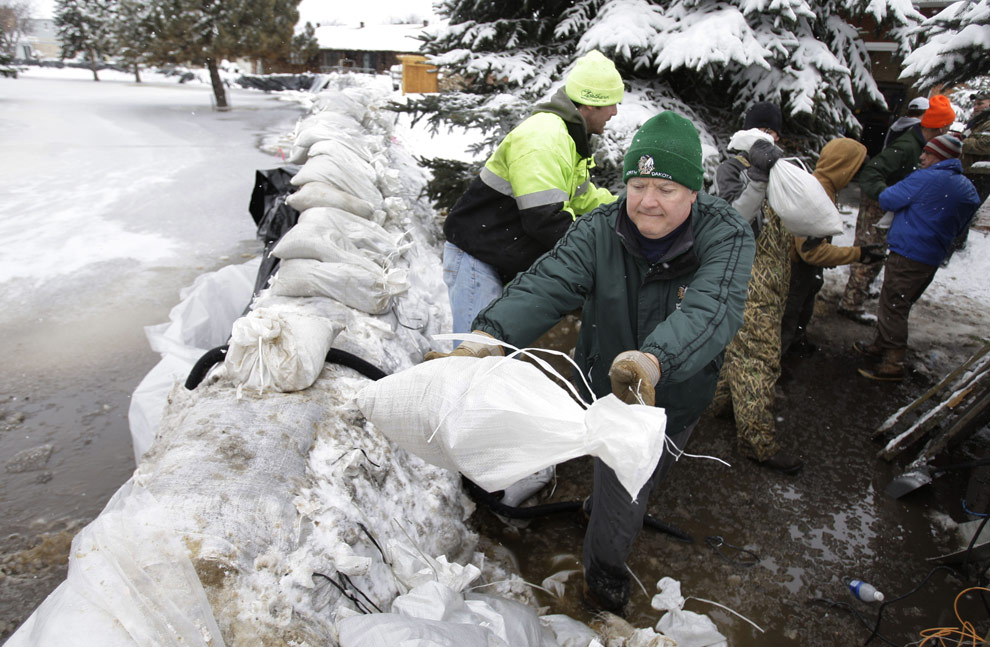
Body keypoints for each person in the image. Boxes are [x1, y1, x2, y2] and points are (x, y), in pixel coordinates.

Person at [426, 111, 755, 614]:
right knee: (623, 491)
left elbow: (711, 310)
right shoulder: (601, 230)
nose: (647, 202)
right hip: (609, 387)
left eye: (666, 189)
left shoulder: (726, 236)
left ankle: (605, 509)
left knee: (650, 469)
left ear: (694, 191)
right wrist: (487, 335)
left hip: (680, 394)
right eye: (638, 185)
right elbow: (547, 282)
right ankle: (604, 590)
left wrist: (653, 361)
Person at [440, 50, 624, 334]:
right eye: (611, 104)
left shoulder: (567, 137)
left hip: (497, 256)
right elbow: (545, 219)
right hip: (477, 260)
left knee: (496, 356)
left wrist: (626, 207)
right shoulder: (545, 139)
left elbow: (584, 198)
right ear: (589, 104)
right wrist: (599, 255)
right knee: (474, 357)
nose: (614, 112)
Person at [709, 101, 801, 475]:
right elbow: (732, 219)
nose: (770, 138)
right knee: (758, 360)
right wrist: (759, 179)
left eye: (774, 132)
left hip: (775, 283)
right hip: (748, 283)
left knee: (736, 352)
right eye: (763, 130)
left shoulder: (782, 170)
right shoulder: (732, 169)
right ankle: (758, 442)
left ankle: (716, 406)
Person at [855, 134, 980, 381]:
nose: (922, 157)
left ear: (941, 157)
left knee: (893, 305)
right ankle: (881, 344)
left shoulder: (925, 178)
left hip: (909, 252)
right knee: (900, 302)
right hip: (931, 257)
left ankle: (893, 362)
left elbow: (888, 198)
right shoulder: (966, 187)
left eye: (928, 153)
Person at [837, 94, 956, 324]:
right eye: (947, 127)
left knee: (877, 254)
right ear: (939, 128)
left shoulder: (921, 144)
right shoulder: (906, 146)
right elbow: (872, 172)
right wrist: (887, 196)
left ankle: (856, 294)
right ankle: (850, 303)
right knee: (870, 252)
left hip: (891, 205)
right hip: (878, 206)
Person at [780, 138, 886, 357]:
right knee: (788, 317)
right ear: (844, 166)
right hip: (795, 269)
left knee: (803, 308)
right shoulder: (816, 193)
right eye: (856, 167)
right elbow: (811, 252)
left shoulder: (824, 187)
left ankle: (795, 345)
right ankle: (776, 362)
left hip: (803, 270)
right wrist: (858, 254)